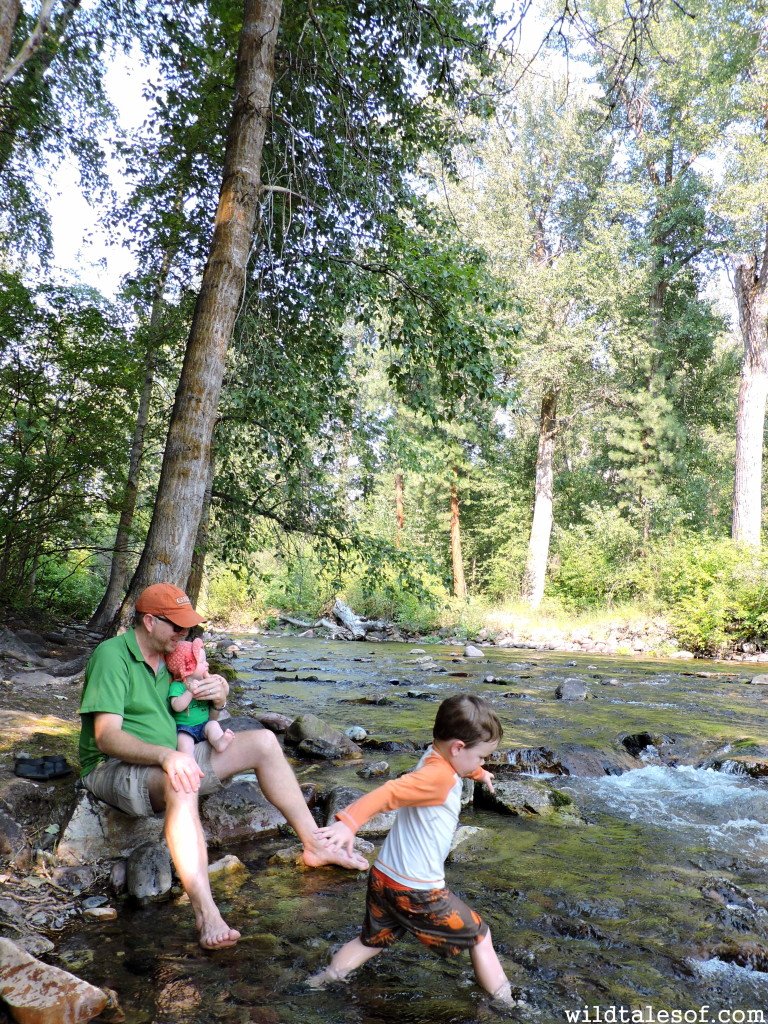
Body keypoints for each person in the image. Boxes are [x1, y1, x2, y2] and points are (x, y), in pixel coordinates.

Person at [78, 582, 369, 951]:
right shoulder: (111, 656)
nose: (185, 635)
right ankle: (205, 913)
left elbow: (194, 715)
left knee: (264, 741)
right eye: (178, 627)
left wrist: (217, 700)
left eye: (189, 629)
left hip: (176, 755)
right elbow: (106, 737)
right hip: (115, 767)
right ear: (149, 621)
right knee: (180, 783)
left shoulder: (174, 658)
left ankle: (315, 844)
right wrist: (166, 756)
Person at [307, 693, 517, 1007]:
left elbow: (457, 764)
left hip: (383, 879)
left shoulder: (435, 758)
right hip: (416, 891)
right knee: (480, 936)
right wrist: (348, 822)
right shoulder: (438, 778)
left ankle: (322, 980)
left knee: (373, 940)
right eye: (482, 757)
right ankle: (507, 1004)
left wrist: (478, 772)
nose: (483, 763)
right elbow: (389, 792)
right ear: (458, 747)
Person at [166, 637, 235, 755]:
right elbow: (176, 706)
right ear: (187, 667)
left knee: (213, 725)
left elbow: (224, 694)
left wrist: (223, 684)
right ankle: (189, 760)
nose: (207, 664)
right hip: (185, 728)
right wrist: (190, 692)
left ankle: (219, 742)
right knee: (184, 741)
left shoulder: (206, 679)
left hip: (204, 724)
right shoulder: (178, 686)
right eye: (202, 662)